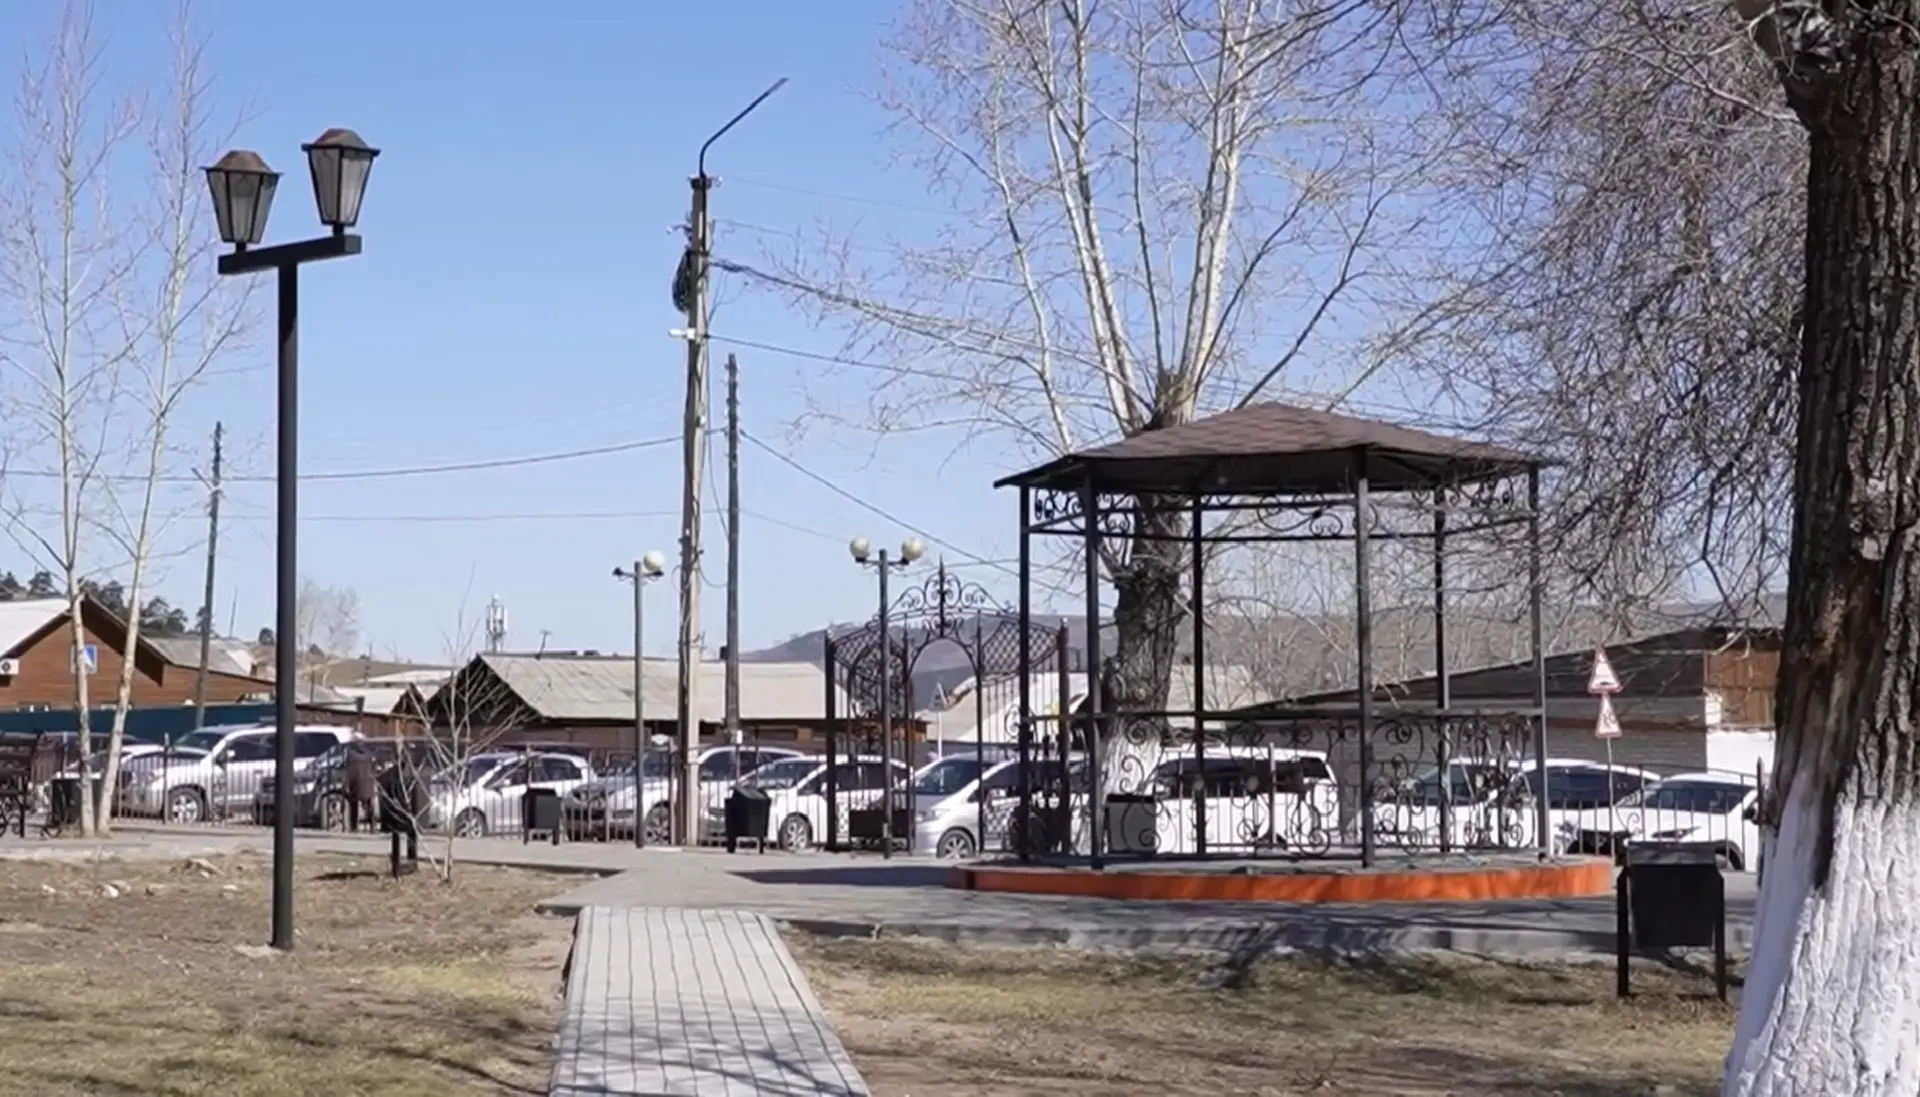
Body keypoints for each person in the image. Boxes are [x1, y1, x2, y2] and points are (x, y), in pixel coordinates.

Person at [344, 742, 378, 833]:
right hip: (367, 782)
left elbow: (348, 770)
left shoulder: (351, 754)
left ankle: (354, 826)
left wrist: (347, 784)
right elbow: (374, 769)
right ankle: (372, 826)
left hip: (355, 782)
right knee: (369, 805)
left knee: (353, 805)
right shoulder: (369, 754)